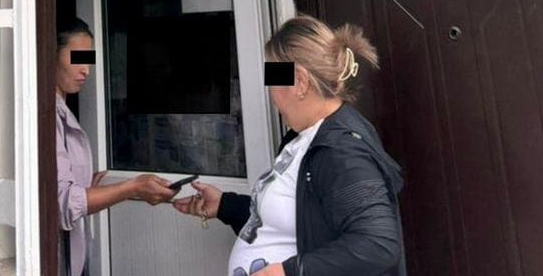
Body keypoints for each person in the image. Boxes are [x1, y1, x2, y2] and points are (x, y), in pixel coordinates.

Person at [173, 15, 405, 276]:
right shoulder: (303, 137)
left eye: (274, 78)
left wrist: (287, 272)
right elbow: (297, 220)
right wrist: (225, 205)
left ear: (300, 82)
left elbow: (377, 245)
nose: (270, 93)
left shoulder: (341, 151)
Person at [56, 18, 179, 276]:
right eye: (77, 58)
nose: (86, 71)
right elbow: (64, 203)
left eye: (88, 60)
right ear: (50, 54)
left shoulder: (62, 111)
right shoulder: (46, 115)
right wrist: (133, 187)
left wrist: (89, 189)